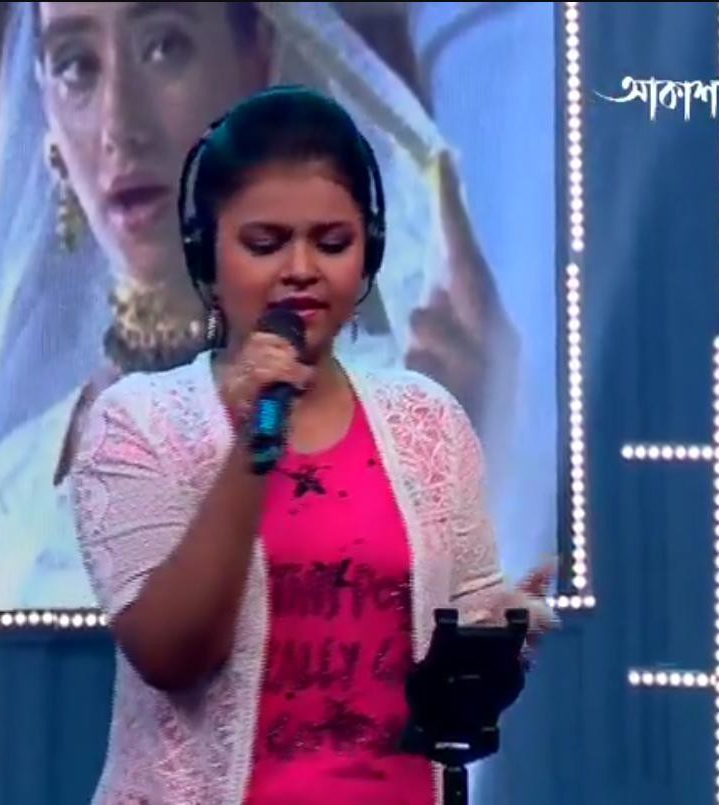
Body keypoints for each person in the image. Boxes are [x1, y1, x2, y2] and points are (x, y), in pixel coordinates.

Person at [0, 2, 518, 612]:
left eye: (165, 47)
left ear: (257, 65)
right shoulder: (0, 496)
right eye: (77, 65)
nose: (119, 125)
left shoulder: (396, 409)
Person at [68, 85, 554, 805]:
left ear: (369, 252)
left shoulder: (426, 420)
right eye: (265, 244)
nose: (301, 268)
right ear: (206, 256)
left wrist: (500, 633)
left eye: (332, 243)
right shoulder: (137, 422)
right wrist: (253, 440)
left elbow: (455, 647)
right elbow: (172, 654)